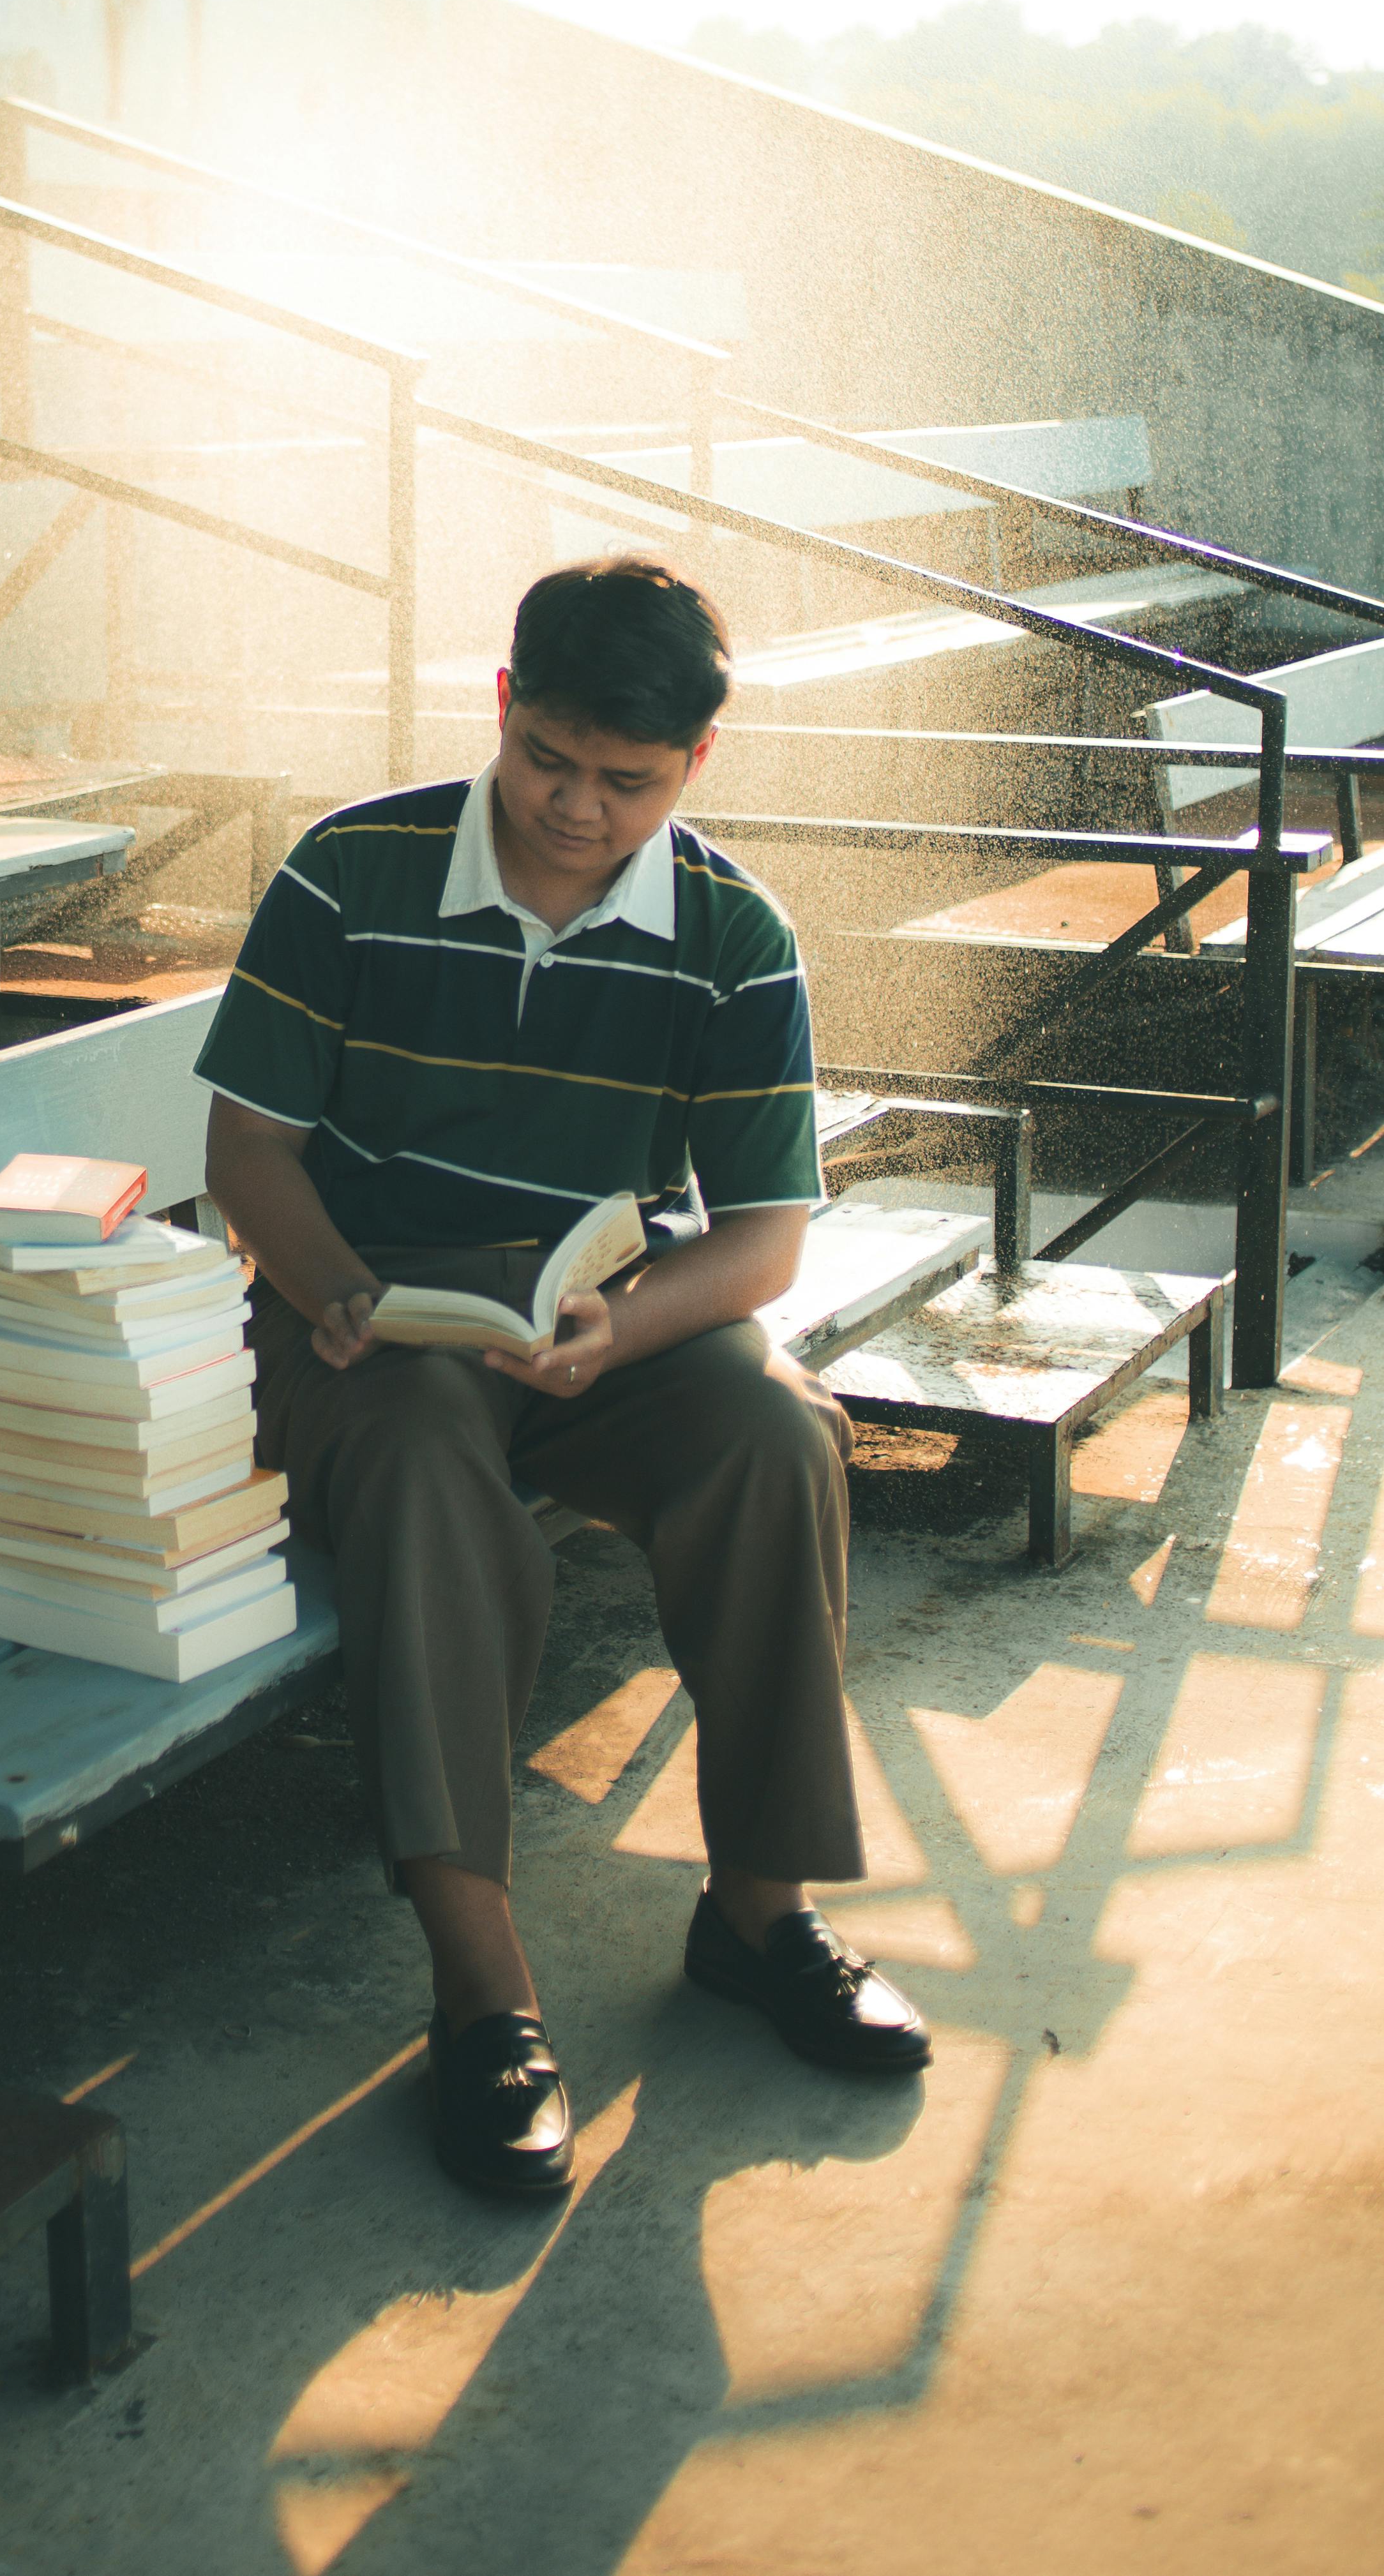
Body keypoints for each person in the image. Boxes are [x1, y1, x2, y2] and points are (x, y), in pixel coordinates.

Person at [196, 554, 929, 2202]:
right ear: (504, 706)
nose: (577, 809)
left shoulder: (730, 933)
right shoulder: (348, 871)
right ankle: (480, 1993)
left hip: (597, 1323)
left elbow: (759, 1244)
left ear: (694, 766)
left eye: (628, 781)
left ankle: (758, 1912)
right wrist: (331, 1287)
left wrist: (624, 1327)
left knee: (772, 1434)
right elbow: (247, 1144)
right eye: (551, 762)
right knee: (422, 1471)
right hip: (363, 1322)